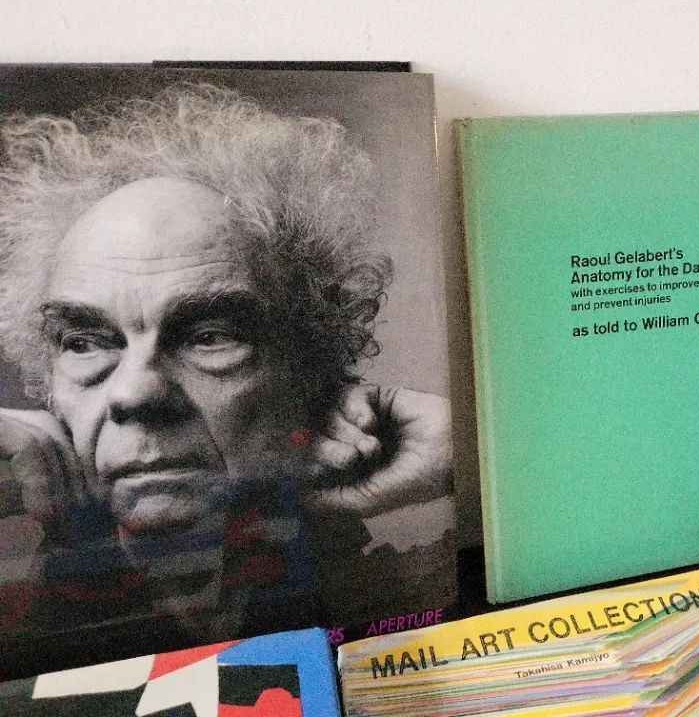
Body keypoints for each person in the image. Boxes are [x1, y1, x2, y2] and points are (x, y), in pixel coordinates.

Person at [0, 83, 452, 655]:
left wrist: (460, 443)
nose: (134, 392)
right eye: (85, 342)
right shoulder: (21, 606)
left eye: (208, 337)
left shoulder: (388, 593)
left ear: (309, 368)